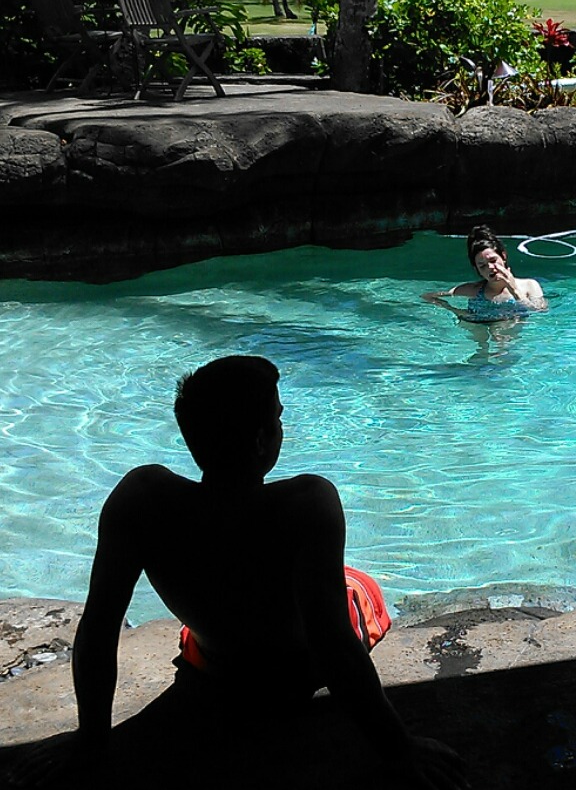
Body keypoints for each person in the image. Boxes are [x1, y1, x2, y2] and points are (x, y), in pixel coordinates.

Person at [14, 356, 466, 789]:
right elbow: (334, 647)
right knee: (359, 585)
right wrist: (399, 748)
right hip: (296, 675)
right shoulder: (308, 503)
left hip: (216, 661)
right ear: (261, 440)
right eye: (279, 418)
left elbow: (98, 626)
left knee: (205, 618)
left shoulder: (141, 498)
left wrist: (91, 738)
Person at [422, 225, 546, 323]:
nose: (490, 267)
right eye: (482, 266)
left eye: (493, 260)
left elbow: (540, 312)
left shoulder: (529, 286)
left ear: (503, 256)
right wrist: (457, 312)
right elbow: (428, 297)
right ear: (477, 269)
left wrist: (514, 290)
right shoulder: (472, 291)